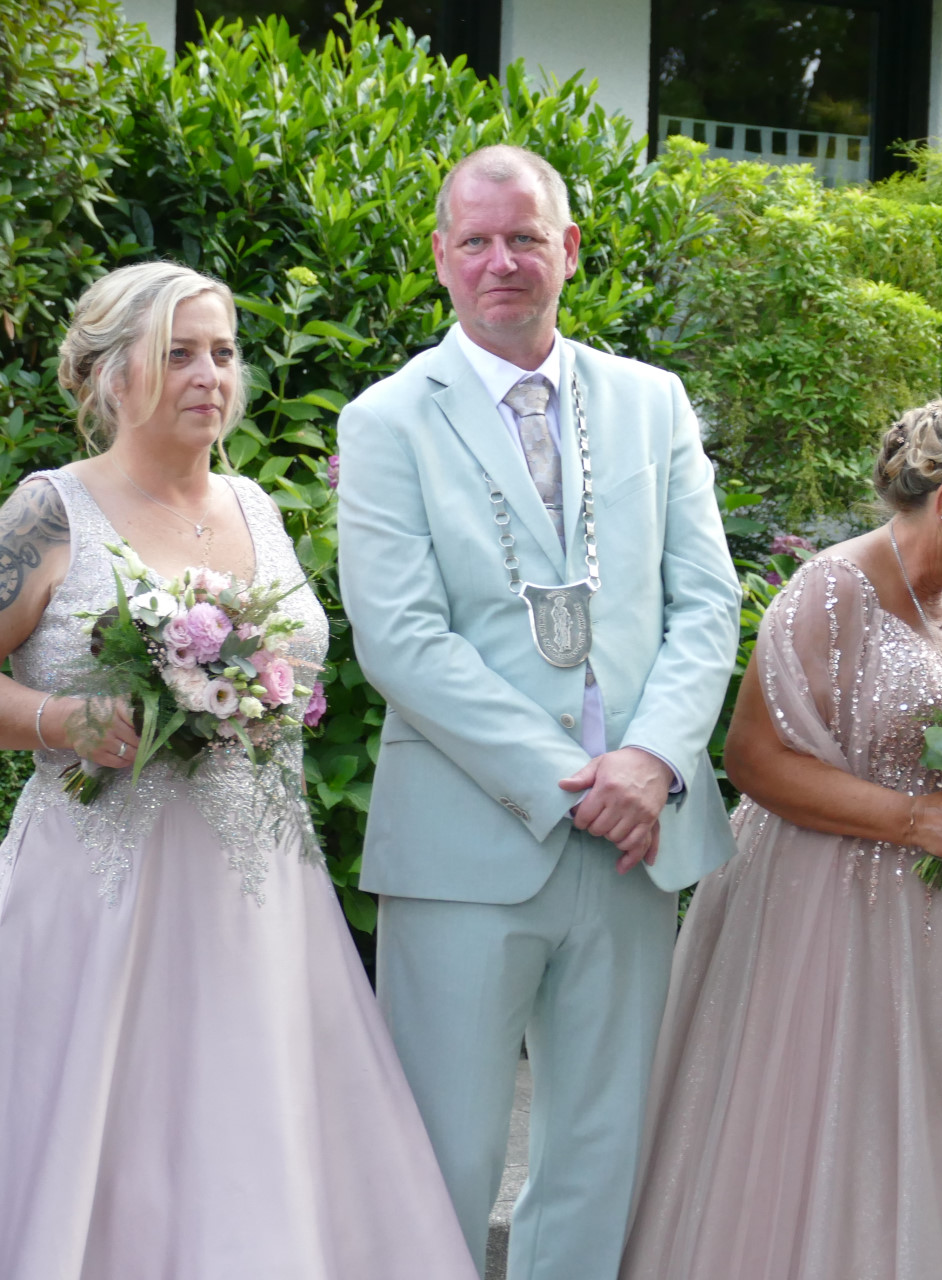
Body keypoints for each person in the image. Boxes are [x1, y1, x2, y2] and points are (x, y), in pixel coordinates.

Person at [0, 262, 473, 1278]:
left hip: (262, 899)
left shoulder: (256, 504)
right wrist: (59, 717)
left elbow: (295, 676)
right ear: (111, 373)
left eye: (222, 351)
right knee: (109, 1141)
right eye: (177, 353)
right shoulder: (48, 514)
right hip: (103, 898)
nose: (209, 374)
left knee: (251, 1144)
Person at [337, 145, 740, 1280]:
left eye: (524, 238)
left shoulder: (652, 401)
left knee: (602, 1153)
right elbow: (401, 638)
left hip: (640, 838)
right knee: (444, 1153)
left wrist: (651, 759)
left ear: (567, 248)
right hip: (467, 841)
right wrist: (577, 784)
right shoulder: (385, 421)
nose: (500, 261)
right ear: (440, 258)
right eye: (476, 241)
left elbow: (707, 600)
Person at [623, 396, 942, 1280]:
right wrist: (911, 819)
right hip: (825, 917)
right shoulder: (831, 589)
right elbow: (752, 758)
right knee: (832, 1123)